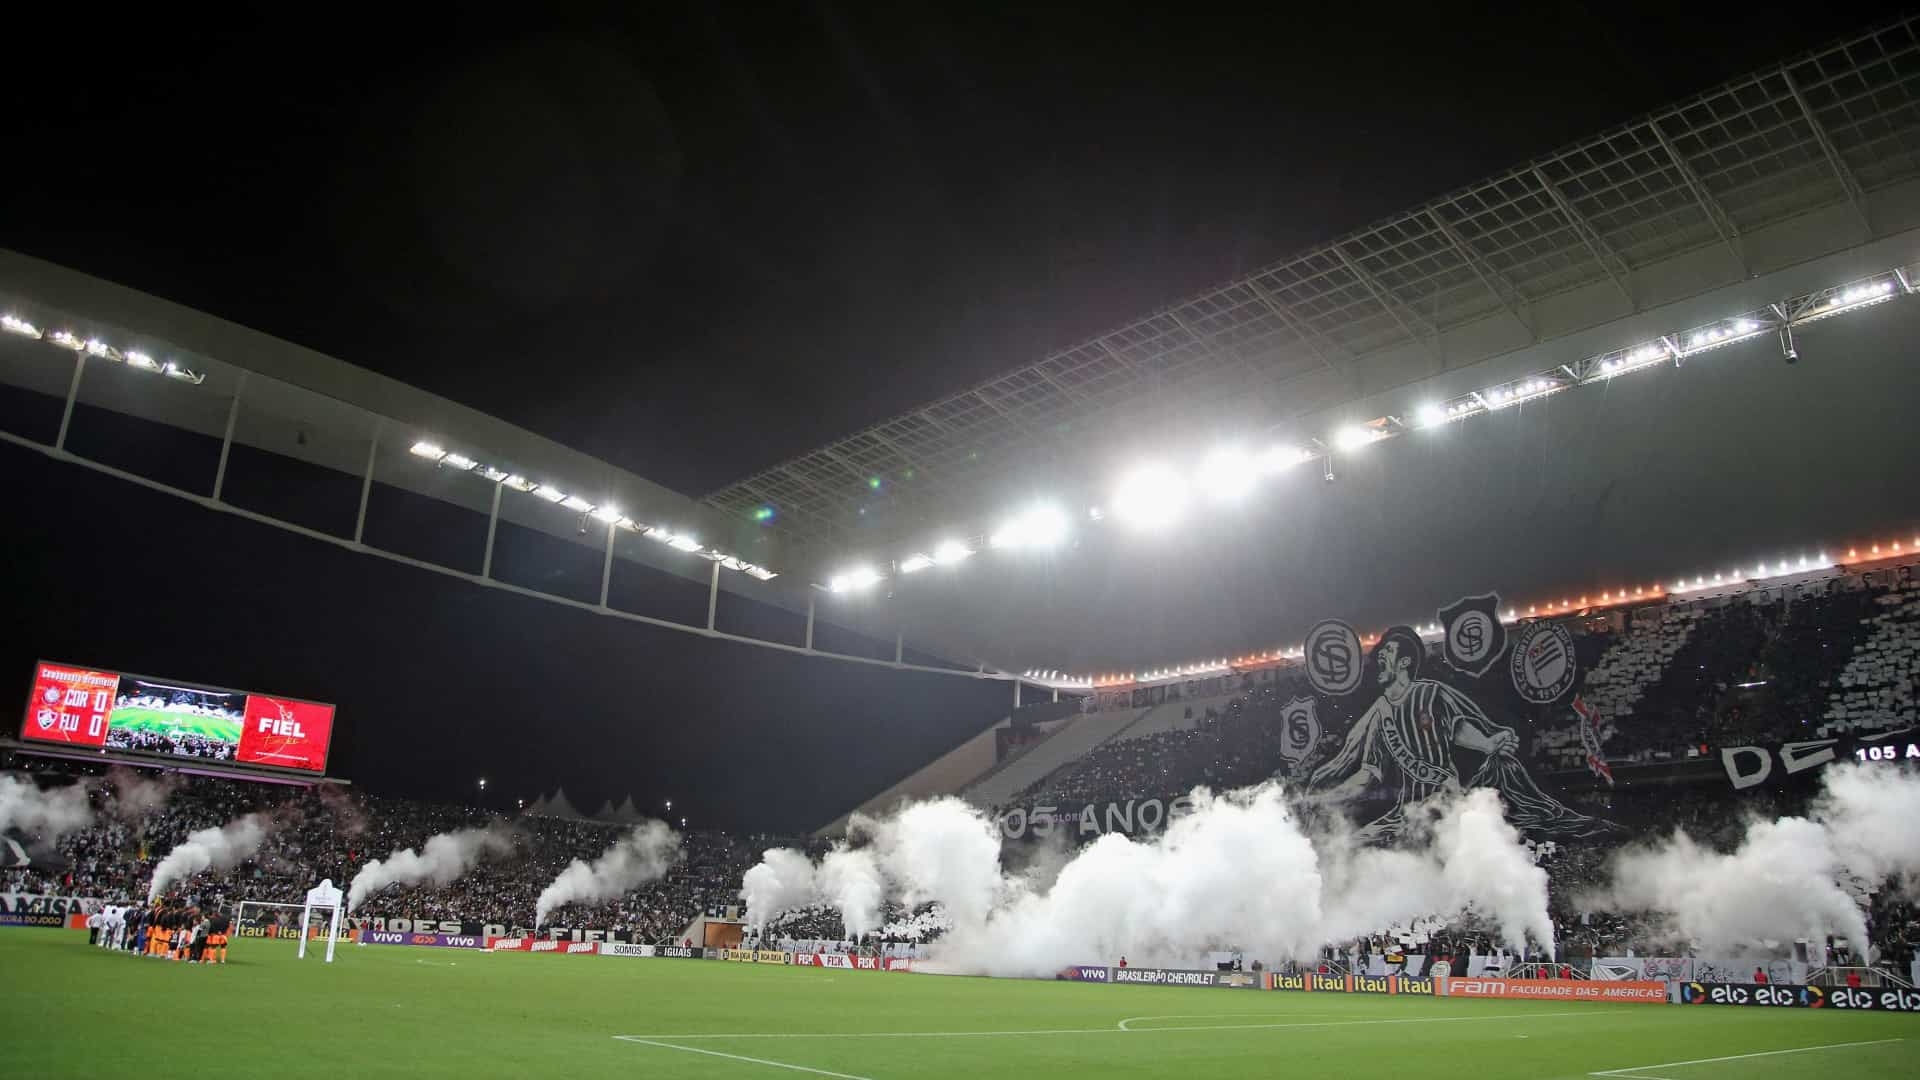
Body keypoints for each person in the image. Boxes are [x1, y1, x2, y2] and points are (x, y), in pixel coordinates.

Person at [1309, 627, 1616, 842]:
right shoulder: (1380, 711)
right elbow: (1367, 773)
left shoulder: (1430, 693)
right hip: (1406, 813)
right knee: (1352, 844)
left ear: (1403, 662)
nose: (1379, 658)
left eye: (1386, 652)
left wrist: (1487, 742)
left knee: (1506, 771)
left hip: (1445, 800)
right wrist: (1324, 797)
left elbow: (1456, 726)